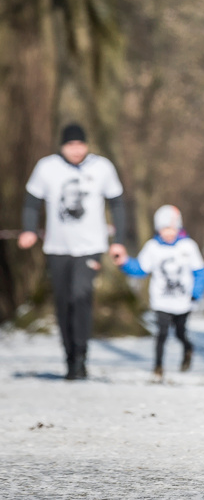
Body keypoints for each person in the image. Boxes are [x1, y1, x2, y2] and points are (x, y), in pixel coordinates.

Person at [18, 123, 128, 380]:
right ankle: (69, 356)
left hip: (91, 247)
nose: (76, 150)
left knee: (81, 297)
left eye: (80, 144)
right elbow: (32, 202)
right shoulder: (47, 168)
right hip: (57, 247)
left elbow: (118, 203)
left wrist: (119, 240)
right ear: (62, 146)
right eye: (71, 145)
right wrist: (28, 229)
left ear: (87, 145)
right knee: (63, 302)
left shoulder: (102, 167)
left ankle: (80, 357)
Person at [112, 205, 204, 378]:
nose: (168, 233)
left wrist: (196, 293)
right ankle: (158, 367)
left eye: (171, 228)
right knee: (161, 333)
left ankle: (188, 349)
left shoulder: (188, 246)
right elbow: (141, 268)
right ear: (158, 229)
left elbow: (200, 271)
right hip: (161, 300)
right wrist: (124, 262)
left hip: (183, 301)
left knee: (180, 332)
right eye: (164, 229)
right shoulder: (153, 247)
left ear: (178, 227)